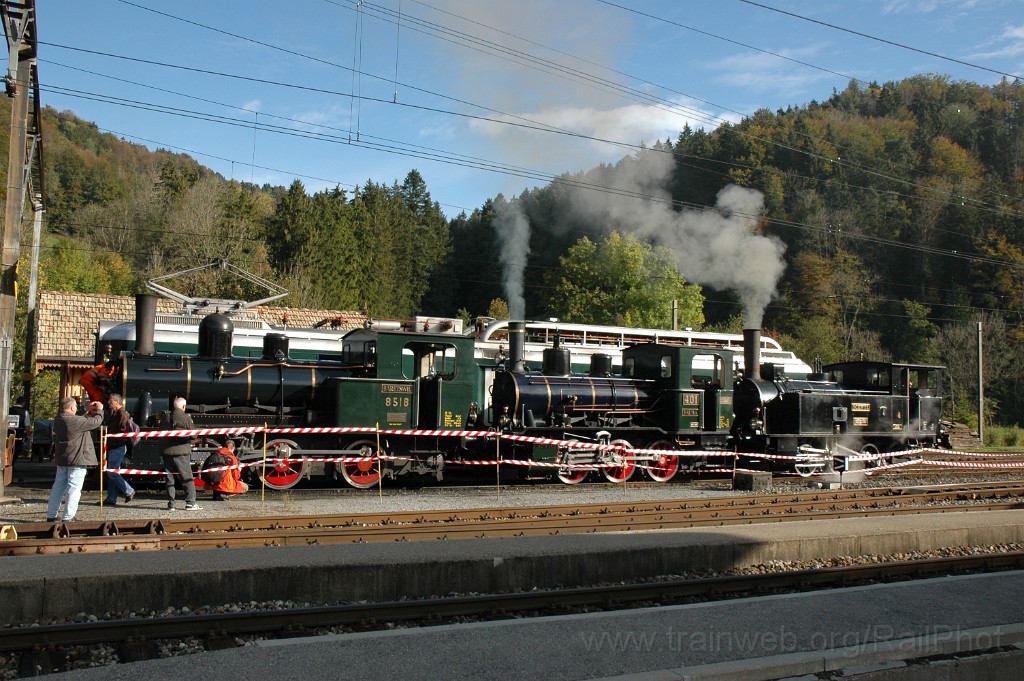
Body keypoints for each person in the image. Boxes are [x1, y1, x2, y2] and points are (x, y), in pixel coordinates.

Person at [46, 396, 103, 522]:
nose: (76, 409)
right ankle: (68, 517)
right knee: (74, 488)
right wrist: (99, 410)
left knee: (58, 487)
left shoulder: (59, 419)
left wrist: (87, 411)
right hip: (76, 459)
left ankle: (51, 515)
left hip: (63, 458)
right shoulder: (74, 421)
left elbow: (79, 420)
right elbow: (96, 422)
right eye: (76, 407)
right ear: (72, 407)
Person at [163, 396, 202, 511]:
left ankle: (171, 504)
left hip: (167, 452)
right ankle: (190, 503)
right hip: (181, 452)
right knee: (186, 477)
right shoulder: (185, 417)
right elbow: (194, 434)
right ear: (184, 406)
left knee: (169, 479)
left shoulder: (165, 417)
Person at [102, 393, 136, 506]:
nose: (108, 403)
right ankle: (111, 498)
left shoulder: (122, 414)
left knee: (112, 472)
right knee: (112, 472)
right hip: (114, 446)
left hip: (118, 446)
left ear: (117, 402)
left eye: (111, 401)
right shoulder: (115, 414)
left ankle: (128, 490)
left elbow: (123, 430)